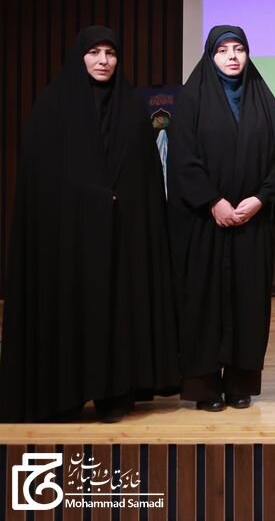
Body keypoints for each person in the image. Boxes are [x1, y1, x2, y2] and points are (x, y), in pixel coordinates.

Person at [0, 26, 179, 423]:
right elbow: (41, 180)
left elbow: (146, 179)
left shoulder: (131, 109)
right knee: (71, 312)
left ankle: (114, 393)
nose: (103, 61)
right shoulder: (52, 107)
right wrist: (90, 200)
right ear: (79, 56)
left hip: (120, 237)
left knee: (117, 312)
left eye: (110, 53)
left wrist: (121, 201)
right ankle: (65, 394)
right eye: (94, 52)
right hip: (69, 240)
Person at [167, 26, 275, 411]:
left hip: (251, 222)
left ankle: (240, 383)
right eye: (223, 50)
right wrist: (213, 201)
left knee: (246, 302)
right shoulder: (191, 100)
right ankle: (204, 387)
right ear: (210, 56)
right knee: (203, 302)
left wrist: (260, 199)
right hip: (204, 223)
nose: (232, 57)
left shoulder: (266, 102)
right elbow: (183, 159)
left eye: (239, 49)